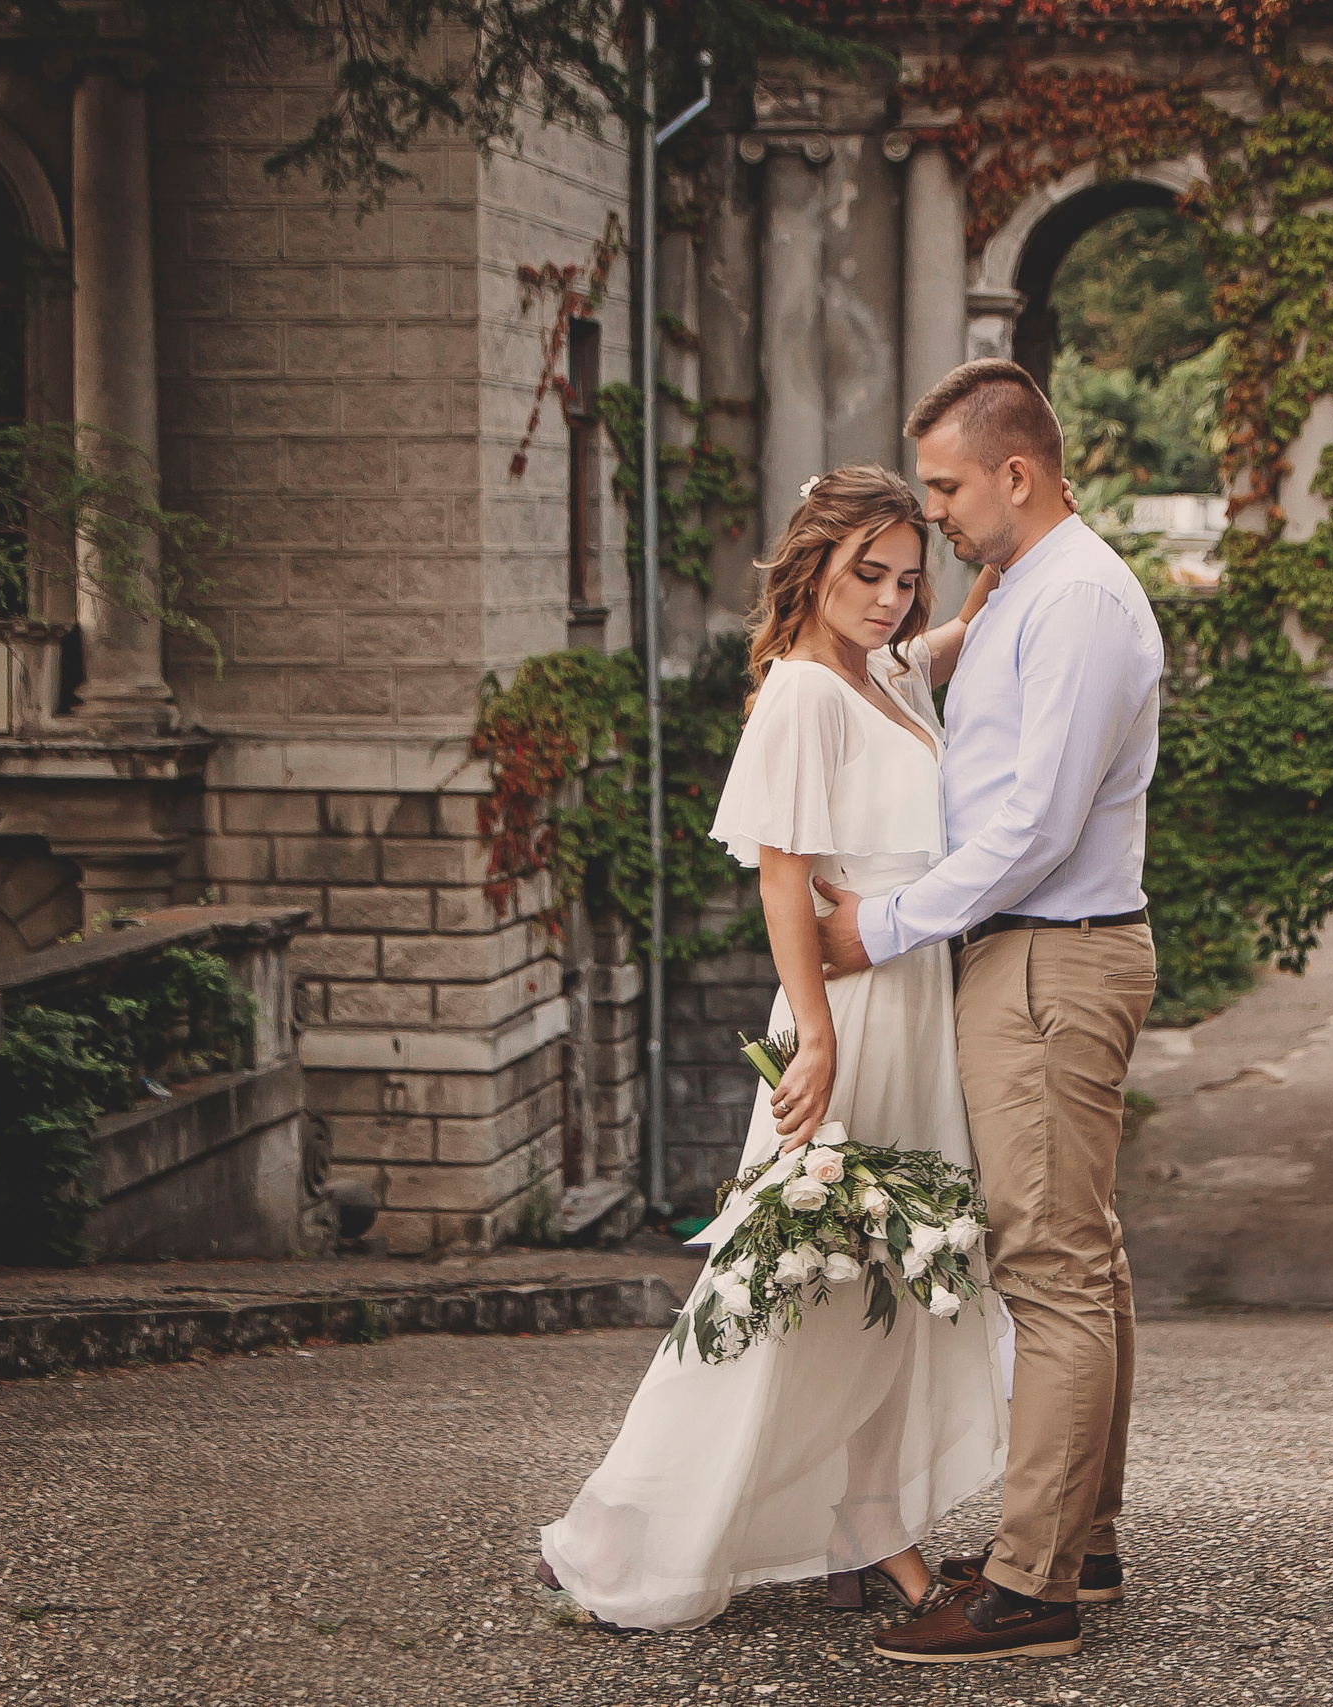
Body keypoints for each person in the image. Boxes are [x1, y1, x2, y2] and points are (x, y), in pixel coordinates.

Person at [534, 465, 1009, 1632]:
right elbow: (784, 876)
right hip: (849, 1015)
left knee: (897, 1273)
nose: (893, 599)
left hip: (919, 998)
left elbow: (952, 636)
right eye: (869, 575)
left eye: (907, 577)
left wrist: (1005, 551)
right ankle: (629, 1527)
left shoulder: (886, 673)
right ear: (815, 563)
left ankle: (870, 1521)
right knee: (780, 1284)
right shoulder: (802, 691)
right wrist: (816, 1040)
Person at [813, 359, 1165, 1665]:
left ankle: (1031, 1584)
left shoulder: (1078, 601)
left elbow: (1032, 822)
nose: (939, 515)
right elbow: (930, 689)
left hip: (1048, 960)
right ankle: (1087, 1532)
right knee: (1090, 1255)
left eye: (952, 488)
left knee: (1050, 1267)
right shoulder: (1030, 587)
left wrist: (881, 925)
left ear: (1017, 473)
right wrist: (917, 637)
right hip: (1044, 954)